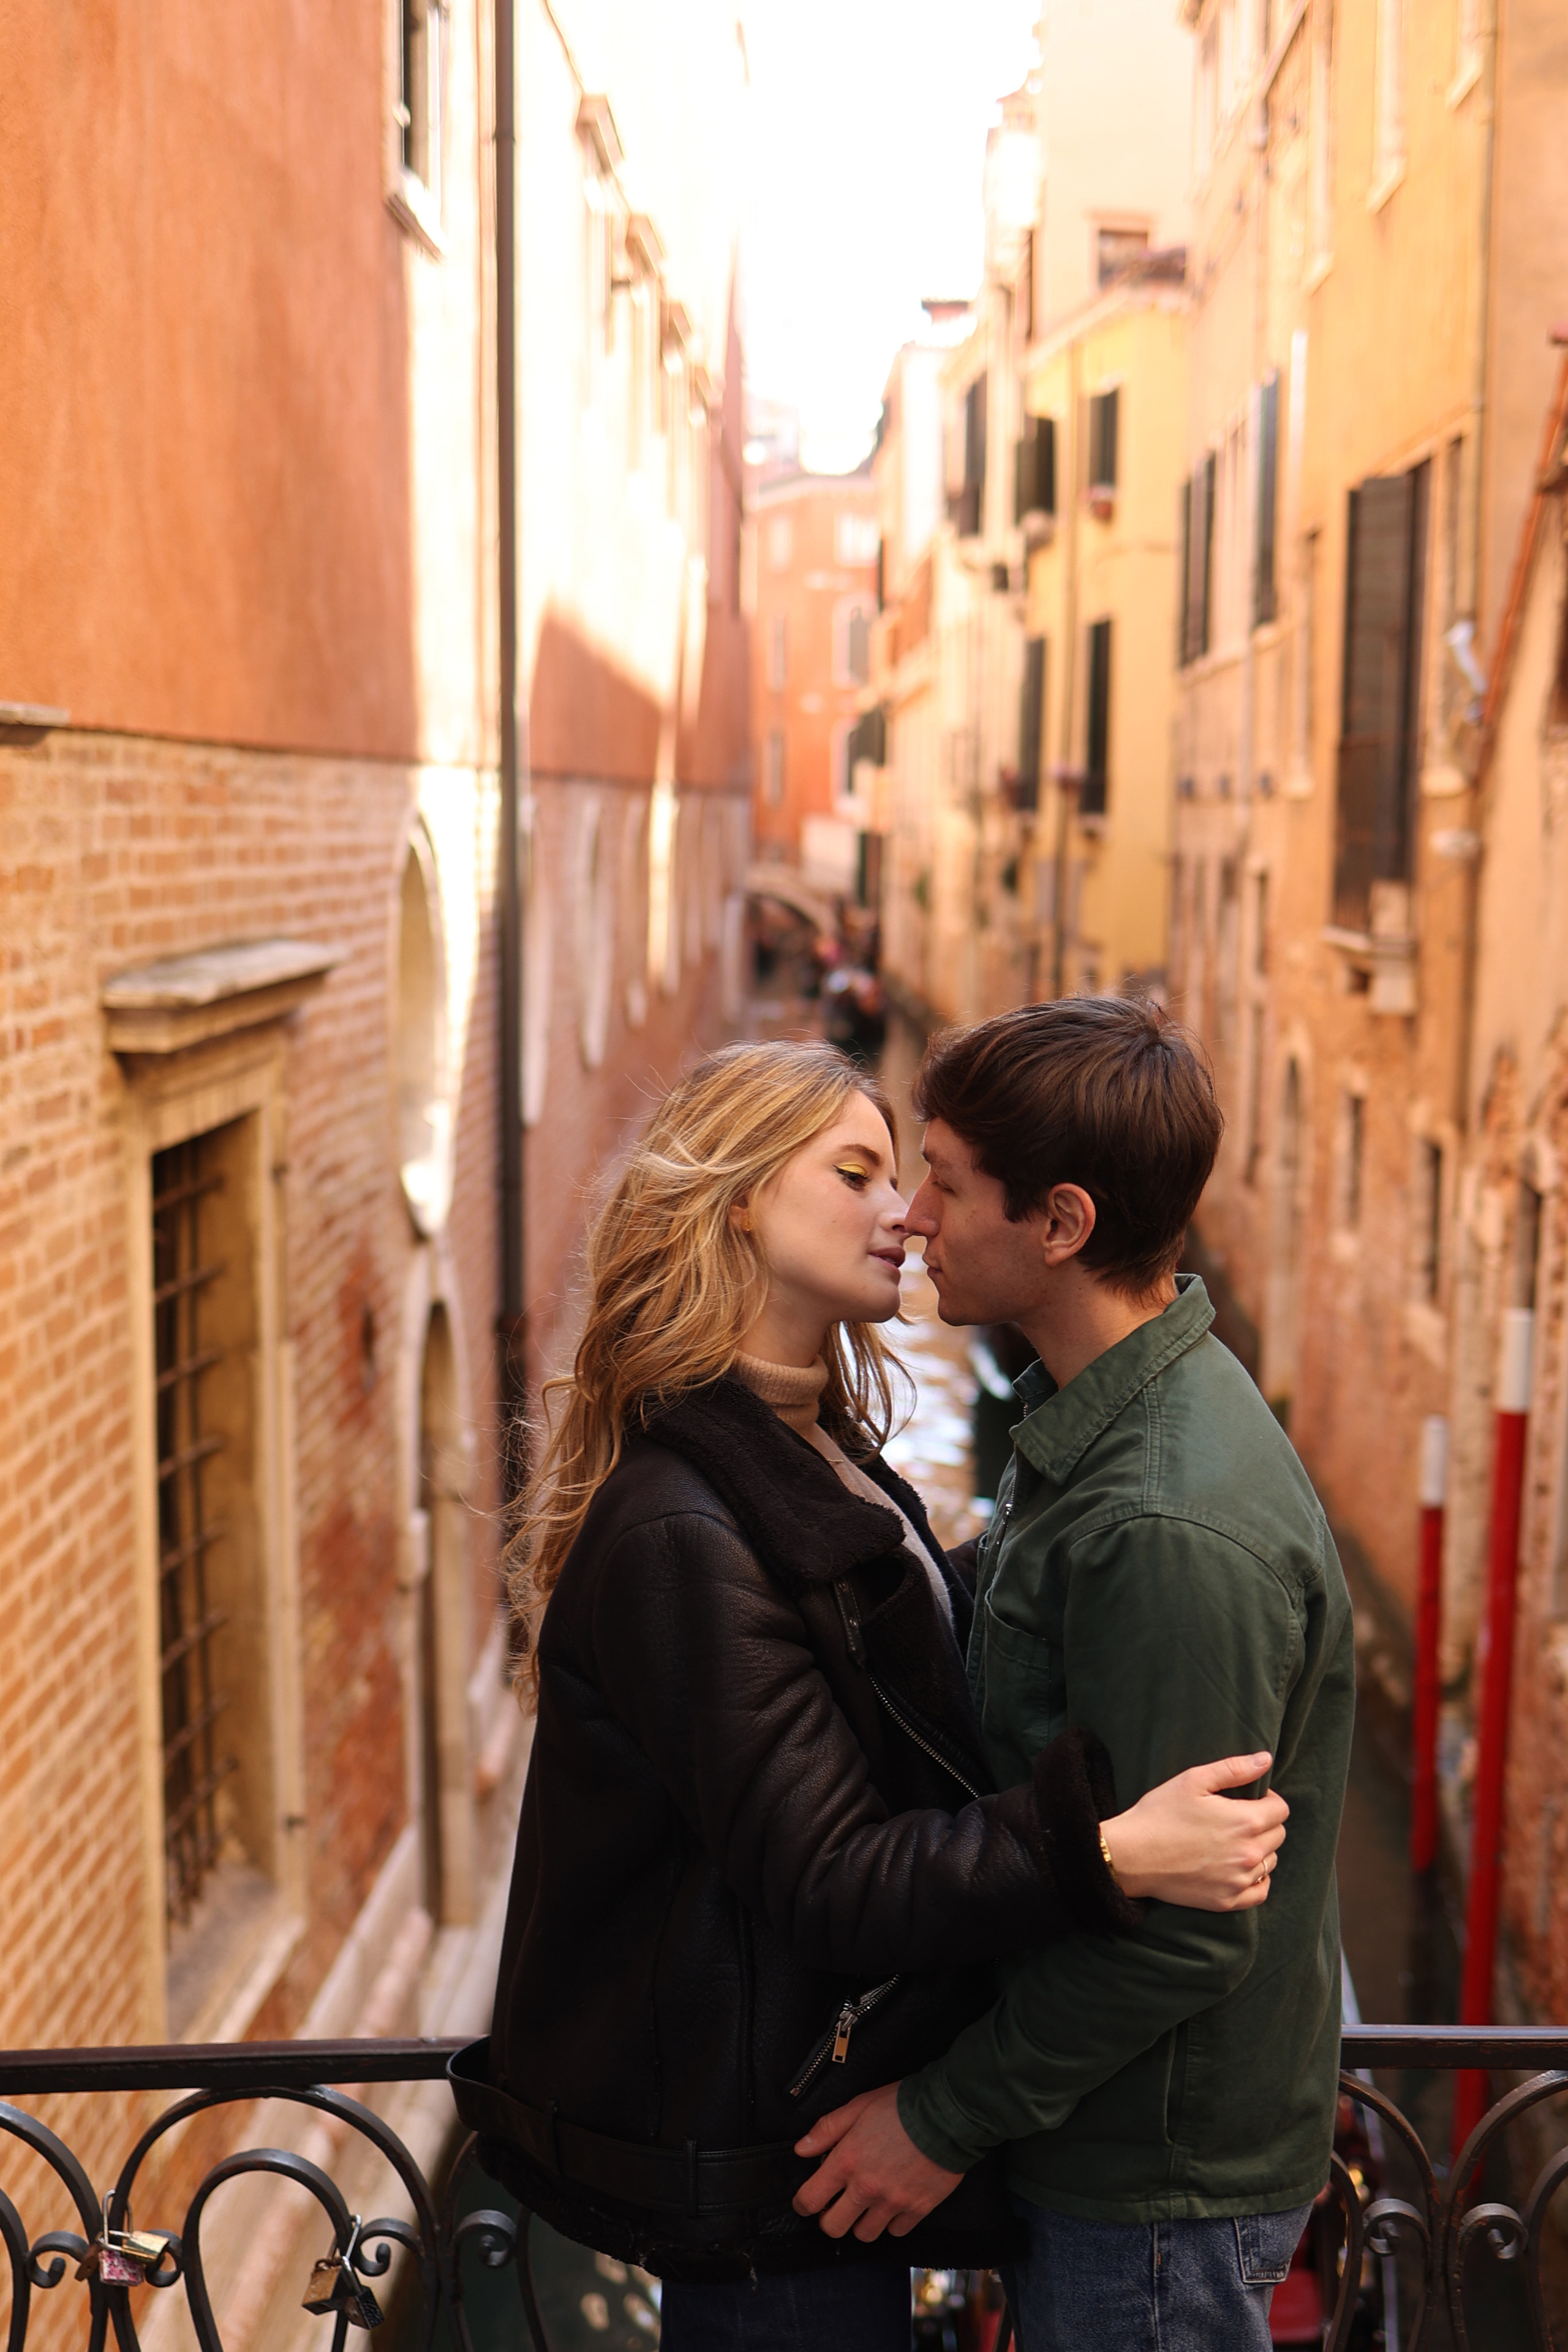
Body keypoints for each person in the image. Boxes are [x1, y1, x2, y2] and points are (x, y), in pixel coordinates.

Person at [450, 1038, 1291, 2352]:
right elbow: (833, 1879)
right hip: (770, 2165)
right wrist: (1110, 1847)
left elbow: (886, 1651)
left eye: (912, 1180)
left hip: (821, 2142)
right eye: (857, 1173)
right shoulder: (683, 1524)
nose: (902, 1212)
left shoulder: (812, 1445)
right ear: (736, 1200)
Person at [791, 1000, 1355, 2352]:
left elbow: (1185, 1928)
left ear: (1056, 1225)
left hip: (1151, 2196)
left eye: (945, 1180)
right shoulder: (1108, 1432)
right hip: (1121, 2166)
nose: (914, 1216)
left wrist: (935, 2122)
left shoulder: (1159, 1529)